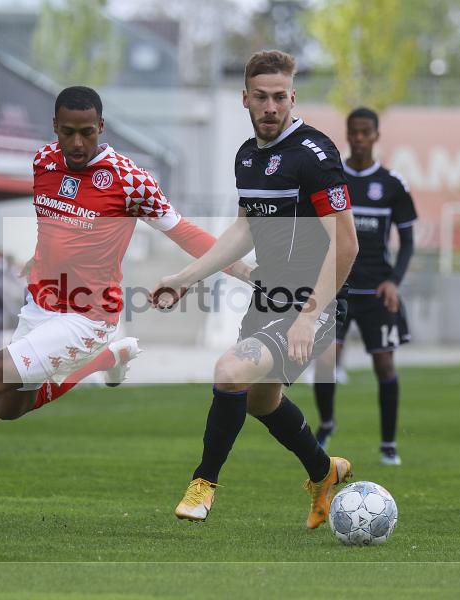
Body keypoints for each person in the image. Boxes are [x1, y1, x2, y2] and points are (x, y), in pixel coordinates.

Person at [0, 86, 250, 521]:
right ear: (54, 127)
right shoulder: (43, 162)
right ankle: (109, 358)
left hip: (87, 316)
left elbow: (183, 231)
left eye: (87, 133)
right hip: (40, 307)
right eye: (68, 132)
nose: (77, 143)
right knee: (8, 407)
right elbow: (57, 226)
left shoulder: (129, 179)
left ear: (101, 128)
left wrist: (245, 272)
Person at [151, 50, 359, 528]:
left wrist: (310, 315)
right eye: (261, 97)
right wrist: (185, 279)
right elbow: (244, 230)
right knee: (261, 402)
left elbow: (346, 244)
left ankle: (203, 485)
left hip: (311, 299)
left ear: (293, 97)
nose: (270, 107)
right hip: (269, 298)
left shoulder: (315, 154)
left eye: (280, 98)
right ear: (245, 97)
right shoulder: (248, 155)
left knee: (229, 370)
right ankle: (324, 471)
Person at [311, 107, 416, 465]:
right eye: (353, 132)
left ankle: (388, 443)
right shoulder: (333, 181)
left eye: (365, 132)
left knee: (384, 366)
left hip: (376, 291)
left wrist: (394, 281)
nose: (358, 139)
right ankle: (326, 424)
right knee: (325, 361)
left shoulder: (392, 184)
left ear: (376, 135)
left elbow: (409, 241)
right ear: (347, 133)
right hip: (337, 288)